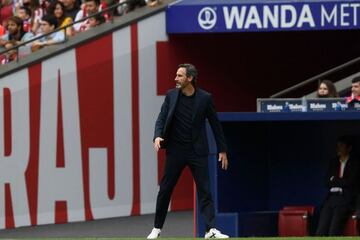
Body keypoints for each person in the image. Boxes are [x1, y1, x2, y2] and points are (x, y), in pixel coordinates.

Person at [147, 64, 229, 239]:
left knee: (205, 191)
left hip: (197, 151)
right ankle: (156, 228)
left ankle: (210, 230)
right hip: (175, 151)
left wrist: (222, 150)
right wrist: (157, 136)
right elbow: (161, 118)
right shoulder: (171, 96)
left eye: (179, 76)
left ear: (189, 78)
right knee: (165, 189)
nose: (175, 79)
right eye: (176, 75)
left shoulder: (205, 98)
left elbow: (215, 124)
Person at [316, 135, 360, 236]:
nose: (338, 149)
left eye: (341, 146)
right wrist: (339, 181)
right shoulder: (333, 162)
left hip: (346, 199)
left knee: (333, 231)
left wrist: (335, 179)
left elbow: (350, 182)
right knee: (321, 230)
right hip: (331, 198)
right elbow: (327, 182)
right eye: (338, 146)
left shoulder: (355, 163)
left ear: (349, 148)